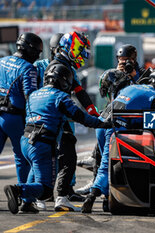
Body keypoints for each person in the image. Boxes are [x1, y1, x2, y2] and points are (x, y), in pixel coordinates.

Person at [3, 63, 111, 214]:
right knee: (46, 189)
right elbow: (80, 116)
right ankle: (17, 190)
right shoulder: (61, 97)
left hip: (25, 140)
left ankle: (27, 203)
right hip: (42, 143)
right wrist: (102, 123)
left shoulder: (34, 94)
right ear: (64, 81)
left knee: (35, 169)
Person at [81, 67, 155, 213]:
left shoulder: (133, 87)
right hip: (116, 128)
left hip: (101, 123)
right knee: (107, 166)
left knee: (104, 165)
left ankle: (105, 200)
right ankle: (93, 196)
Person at [49, 31, 100, 211]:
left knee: (65, 154)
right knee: (50, 157)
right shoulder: (55, 67)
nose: (84, 57)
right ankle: (35, 194)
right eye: (82, 51)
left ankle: (55, 194)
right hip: (49, 118)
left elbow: (80, 93)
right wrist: (92, 119)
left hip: (55, 117)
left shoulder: (67, 67)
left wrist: (93, 112)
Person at [0, 32, 42, 184]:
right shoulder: (28, 68)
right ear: (30, 50)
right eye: (37, 52)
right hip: (15, 118)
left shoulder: (2, 61)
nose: (37, 56)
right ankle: (24, 198)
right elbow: (31, 97)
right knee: (23, 158)